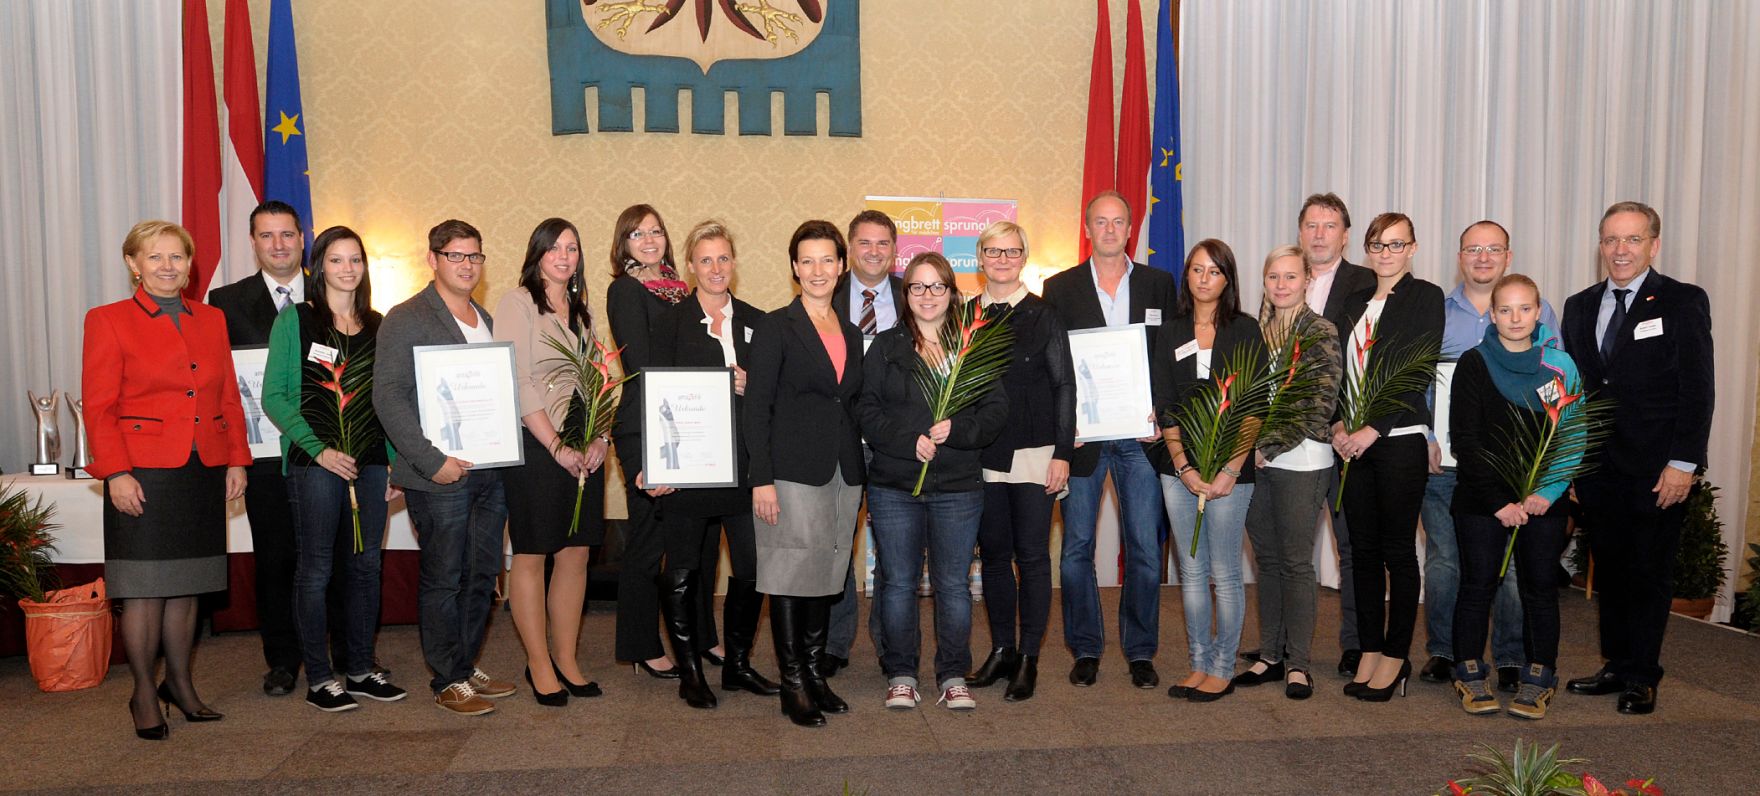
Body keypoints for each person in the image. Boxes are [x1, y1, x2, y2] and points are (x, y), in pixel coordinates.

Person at [82, 220, 250, 739]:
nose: (167, 266)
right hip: (143, 473)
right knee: (144, 592)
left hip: (201, 469)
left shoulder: (212, 319)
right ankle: (141, 692)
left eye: (177, 257)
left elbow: (227, 397)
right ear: (133, 264)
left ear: (189, 264)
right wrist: (117, 473)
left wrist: (236, 459)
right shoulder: (107, 320)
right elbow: (99, 406)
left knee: (186, 587)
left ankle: (179, 684)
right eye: (154, 257)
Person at [1560, 201, 1714, 716]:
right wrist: (1574, 467)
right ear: (1600, 244)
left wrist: (1684, 462)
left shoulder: (1682, 301)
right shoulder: (1579, 305)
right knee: (1612, 571)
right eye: (1610, 240)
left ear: (1653, 244)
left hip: (1658, 469)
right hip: (1599, 469)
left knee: (1649, 572)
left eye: (1631, 240)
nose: (1620, 250)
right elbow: (1576, 392)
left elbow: (1697, 389)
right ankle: (1615, 663)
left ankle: (1642, 674)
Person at [373, 219, 516, 716]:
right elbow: (387, 397)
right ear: (432, 259)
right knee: (444, 577)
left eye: (474, 256)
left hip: (489, 473)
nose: (467, 265)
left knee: (482, 574)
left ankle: (464, 663)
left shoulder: (486, 319)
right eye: (456, 255)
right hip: (440, 476)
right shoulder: (406, 316)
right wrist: (433, 462)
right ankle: (446, 679)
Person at [261, 225, 406, 711]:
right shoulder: (297, 320)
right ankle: (320, 678)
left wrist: (392, 466)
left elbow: (387, 402)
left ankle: (362, 669)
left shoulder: (379, 324)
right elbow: (275, 398)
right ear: (319, 265)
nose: (348, 269)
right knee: (317, 569)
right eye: (338, 260)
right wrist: (318, 449)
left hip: (368, 466)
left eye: (356, 260)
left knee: (366, 567)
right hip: (315, 463)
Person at [858, 252, 1007, 712]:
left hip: (958, 487)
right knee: (899, 583)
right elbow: (867, 411)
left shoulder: (972, 347)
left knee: (953, 585)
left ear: (951, 293)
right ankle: (901, 673)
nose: (927, 296)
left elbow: (995, 411)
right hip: (895, 484)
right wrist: (910, 442)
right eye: (918, 287)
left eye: (937, 287)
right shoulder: (885, 346)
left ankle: (952, 674)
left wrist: (957, 432)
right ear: (906, 295)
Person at [1041, 190, 1177, 689]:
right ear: (1087, 228)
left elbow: (1170, 359)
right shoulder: (1058, 288)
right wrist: (1065, 424)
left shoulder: (1160, 284)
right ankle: (1086, 648)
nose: (1110, 230)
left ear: (1130, 228)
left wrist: (1162, 416)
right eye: (1100, 222)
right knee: (1076, 547)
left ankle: (1141, 651)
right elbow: (1055, 368)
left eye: (1119, 222)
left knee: (1144, 546)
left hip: (1141, 436)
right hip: (1084, 438)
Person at [1417, 221, 1559, 691]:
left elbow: (1558, 394)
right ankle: (1446, 651)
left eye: (1492, 248)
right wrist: (1425, 435)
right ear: (1459, 256)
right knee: (1446, 562)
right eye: (1473, 249)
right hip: (1447, 459)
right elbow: (1417, 379)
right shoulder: (1437, 312)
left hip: (1514, 471)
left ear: (1508, 255)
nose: (1483, 257)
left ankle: (1512, 657)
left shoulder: (1541, 314)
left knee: (1514, 569)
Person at [645, 220, 778, 708]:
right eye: (706, 260)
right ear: (691, 267)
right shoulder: (670, 324)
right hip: (690, 467)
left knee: (751, 567)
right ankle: (691, 672)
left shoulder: (760, 322)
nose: (716, 268)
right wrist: (653, 465)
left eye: (724, 258)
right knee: (681, 570)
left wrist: (751, 385)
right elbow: (651, 393)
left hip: (743, 467)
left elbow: (772, 398)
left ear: (734, 263)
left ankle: (738, 665)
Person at [744, 219, 866, 727]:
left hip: (843, 473)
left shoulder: (853, 331)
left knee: (827, 576)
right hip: (791, 473)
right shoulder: (777, 326)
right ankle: (793, 682)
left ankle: (816, 675)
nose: (818, 270)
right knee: (792, 577)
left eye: (827, 260)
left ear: (842, 266)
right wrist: (761, 478)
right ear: (795, 268)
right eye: (807, 260)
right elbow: (757, 407)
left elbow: (851, 403)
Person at [207, 200, 327, 697]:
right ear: (253, 242)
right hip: (262, 455)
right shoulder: (225, 302)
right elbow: (220, 386)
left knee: (327, 556)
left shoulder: (333, 293)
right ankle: (281, 659)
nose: (279, 245)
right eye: (266, 236)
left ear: (303, 239)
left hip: (324, 452)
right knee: (275, 558)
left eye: (287, 235)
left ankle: (340, 652)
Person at [1447, 274, 1582, 720]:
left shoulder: (1561, 366)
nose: (1515, 318)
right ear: (1492, 314)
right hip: (1483, 499)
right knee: (1477, 583)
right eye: (1505, 309)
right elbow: (1464, 440)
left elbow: (1572, 436)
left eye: (1525, 309)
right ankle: (1468, 671)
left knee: (1540, 587)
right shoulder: (1474, 362)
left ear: (1539, 312)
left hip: (1544, 500)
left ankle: (1539, 674)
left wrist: (1547, 492)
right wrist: (1497, 502)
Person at [492, 218, 608, 708]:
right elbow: (518, 380)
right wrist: (557, 446)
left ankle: (566, 657)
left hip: (585, 446)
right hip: (538, 447)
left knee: (576, 552)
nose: (564, 256)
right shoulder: (517, 303)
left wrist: (600, 436)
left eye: (573, 248)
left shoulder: (582, 310)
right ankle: (539, 663)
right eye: (554, 247)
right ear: (536, 252)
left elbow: (601, 375)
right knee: (534, 552)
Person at [1333, 212, 1444, 701]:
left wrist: (1372, 429)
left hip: (1397, 439)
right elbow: (1336, 371)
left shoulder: (1425, 296)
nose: (1386, 253)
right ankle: (1370, 651)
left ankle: (1397, 657)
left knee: (1398, 551)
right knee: (1362, 551)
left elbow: (1416, 368)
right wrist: (1338, 425)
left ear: (1413, 248)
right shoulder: (1353, 302)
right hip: (1351, 443)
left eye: (1396, 245)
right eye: (1378, 244)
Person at [1152, 240, 1266, 703]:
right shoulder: (1171, 328)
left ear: (1227, 279)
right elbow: (1166, 405)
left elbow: (1254, 407)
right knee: (1192, 571)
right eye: (1196, 270)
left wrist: (1230, 471)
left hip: (1229, 472)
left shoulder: (1245, 329)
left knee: (1225, 571)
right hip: (1178, 469)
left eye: (1214, 271)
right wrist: (1181, 466)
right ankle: (1198, 662)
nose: (1204, 278)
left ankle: (1223, 666)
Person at [967, 222, 1075, 703]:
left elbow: (1065, 386)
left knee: (1031, 558)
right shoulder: (965, 314)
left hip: (1035, 454)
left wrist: (1063, 454)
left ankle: (1029, 656)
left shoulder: (1043, 315)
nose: (1002, 258)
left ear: (1024, 257)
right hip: (984, 455)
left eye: (1012, 251)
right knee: (992, 557)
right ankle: (1002, 650)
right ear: (980, 257)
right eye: (993, 250)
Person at [1234, 245, 1341, 700]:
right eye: (1273, 277)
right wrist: (1247, 448)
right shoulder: (1255, 332)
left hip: (1302, 459)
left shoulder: (1320, 331)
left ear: (1307, 280)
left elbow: (1319, 401)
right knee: (1268, 561)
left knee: (1297, 562)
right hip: (1257, 461)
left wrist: (1266, 447)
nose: (1281, 285)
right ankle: (1270, 655)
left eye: (1290, 277)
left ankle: (1299, 663)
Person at [604, 204, 699, 681]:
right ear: (623, 245)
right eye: (636, 233)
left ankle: (691, 640)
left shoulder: (681, 291)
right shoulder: (625, 289)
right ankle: (640, 645)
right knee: (647, 542)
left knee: (684, 540)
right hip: (646, 425)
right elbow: (640, 363)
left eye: (656, 231)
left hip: (683, 422)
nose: (648, 239)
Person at [1294, 193, 1377, 678]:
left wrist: (1346, 422)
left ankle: (1357, 643)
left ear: (1346, 235)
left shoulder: (1367, 283)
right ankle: (1284, 643)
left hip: (1348, 437)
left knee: (1352, 547)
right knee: (1289, 548)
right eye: (1311, 225)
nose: (1319, 234)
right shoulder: (1284, 278)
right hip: (1293, 442)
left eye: (1329, 226)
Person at [824, 210, 908, 676]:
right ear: (849, 249)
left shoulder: (913, 296)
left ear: (894, 251)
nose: (873, 251)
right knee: (840, 545)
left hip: (897, 441)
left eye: (882, 244)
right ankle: (836, 643)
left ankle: (889, 642)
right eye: (864, 243)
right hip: (843, 438)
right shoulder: (825, 297)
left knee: (895, 548)